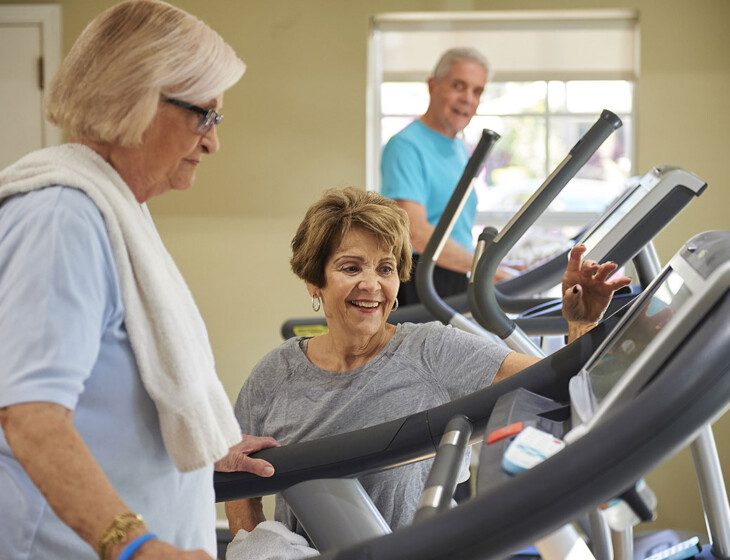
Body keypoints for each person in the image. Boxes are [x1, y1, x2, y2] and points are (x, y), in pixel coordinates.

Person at [0, 2, 279, 558]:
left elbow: (116, 383)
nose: (212, 141)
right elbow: (30, 417)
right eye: (206, 114)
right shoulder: (62, 218)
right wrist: (136, 547)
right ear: (137, 99)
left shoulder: (118, 209)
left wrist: (197, 442)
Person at [225, 187, 631, 538]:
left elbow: (557, 385)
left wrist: (581, 323)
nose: (371, 285)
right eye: (350, 267)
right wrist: (257, 547)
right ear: (315, 281)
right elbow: (236, 482)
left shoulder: (432, 350)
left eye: (385, 268)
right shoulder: (274, 375)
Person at [381, 47, 513, 307]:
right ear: (432, 86)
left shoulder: (458, 148)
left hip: (454, 275)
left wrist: (495, 264)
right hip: (421, 278)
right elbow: (415, 232)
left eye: (477, 91)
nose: (468, 99)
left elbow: (455, 229)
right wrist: (489, 270)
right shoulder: (406, 146)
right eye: (458, 86)